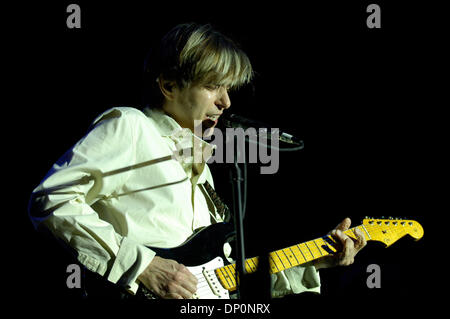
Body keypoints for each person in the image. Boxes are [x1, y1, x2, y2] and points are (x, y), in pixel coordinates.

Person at [28, 23, 366, 299]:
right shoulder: (131, 127)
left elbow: (219, 280)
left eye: (228, 88)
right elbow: (51, 199)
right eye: (212, 86)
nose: (226, 101)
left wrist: (315, 261)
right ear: (169, 84)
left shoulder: (199, 162)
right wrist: (142, 265)